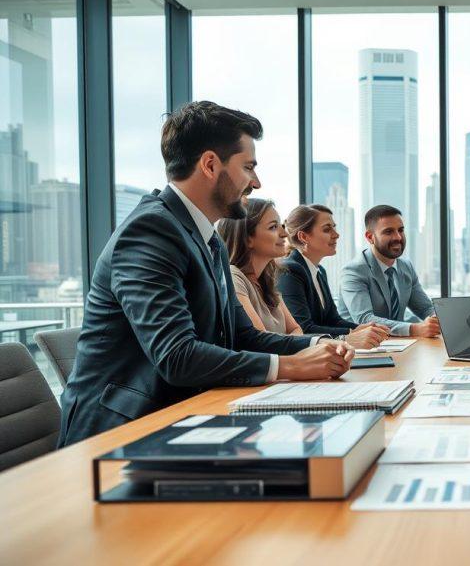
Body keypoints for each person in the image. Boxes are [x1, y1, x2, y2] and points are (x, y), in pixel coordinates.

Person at [58, 101, 355, 447]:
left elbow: (244, 337)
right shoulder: (151, 231)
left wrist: (320, 345)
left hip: (188, 418)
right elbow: (177, 356)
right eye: (248, 167)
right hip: (118, 436)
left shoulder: (208, 238)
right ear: (210, 165)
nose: (255, 182)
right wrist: (292, 366)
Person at [278, 205, 391, 343]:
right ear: (303, 237)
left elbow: (332, 320)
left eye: (334, 227)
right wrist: (352, 333)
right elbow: (304, 329)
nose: (336, 234)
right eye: (327, 229)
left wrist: (362, 328)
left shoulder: (319, 272)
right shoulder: (290, 271)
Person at [337, 205, 440, 337]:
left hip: (400, 345)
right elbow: (364, 319)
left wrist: (439, 320)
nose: (398, 237)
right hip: (360, 349)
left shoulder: (406, 266)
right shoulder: (353, 271)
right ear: (370, 237)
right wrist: (414, 329)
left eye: (400, 230)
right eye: (388, 232)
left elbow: (425, 308)